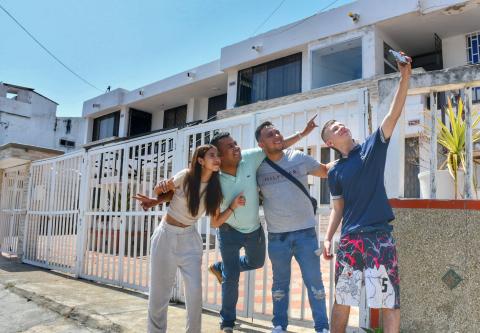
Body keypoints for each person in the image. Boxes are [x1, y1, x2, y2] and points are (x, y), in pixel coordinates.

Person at [321, 54, 412, 333]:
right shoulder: (334, 171)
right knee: (342, 300)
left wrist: (404, 76)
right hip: (350, 243)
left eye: (341, 124)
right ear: (330, 142)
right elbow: (338, 208)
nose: (341, 127)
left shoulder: (372, 147)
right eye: (335, 128)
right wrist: (327, 238)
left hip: (379, 239)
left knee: (388, 302)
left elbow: (393, 114)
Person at [204, 117, 319, 332]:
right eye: (230, 147)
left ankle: (221, 268)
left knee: (256, 262)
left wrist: (303, 133)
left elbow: (279, 145)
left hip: (254, 230)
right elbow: (209, 212)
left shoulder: (250, 157)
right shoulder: (214, 180)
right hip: (228, 232)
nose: (236, 148)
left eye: (235, 143)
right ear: (219, 155)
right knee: (231, 278)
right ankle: (227, 321)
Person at [133, 144, 225, 333]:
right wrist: (157, 194)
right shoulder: (186, 175)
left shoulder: (216, 187)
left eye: (218, 155)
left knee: (195, 293)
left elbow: (215, 221)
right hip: (166, 236)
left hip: (190, 240)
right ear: (200, 161)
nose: (217, 158)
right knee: (159, 294)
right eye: (212, 155)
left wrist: (232, 207)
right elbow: (168, 191)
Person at [255, 121, 330, 333]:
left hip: (306, 233)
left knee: (315, 283)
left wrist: (347, 157)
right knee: (279, 285)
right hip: (278, 237)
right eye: (270, 135)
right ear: (261, 143)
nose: (277, 135)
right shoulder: (257, 167)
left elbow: (325, 171)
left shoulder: (298, 158)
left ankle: (322, 327)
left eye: (278, 131)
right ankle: (279, 325)